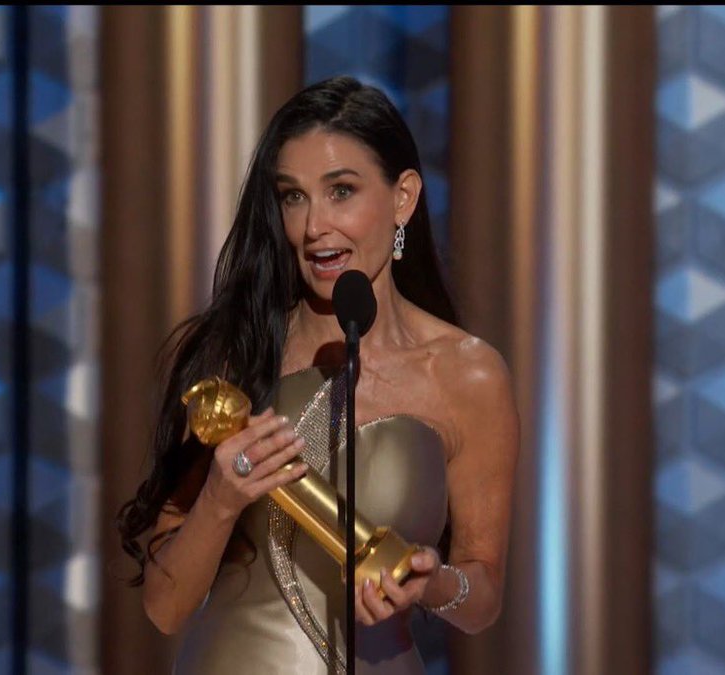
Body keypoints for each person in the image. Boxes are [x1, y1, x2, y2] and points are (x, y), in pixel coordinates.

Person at [117, 75, 519, 674]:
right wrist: (221, 502)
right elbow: (165, 607)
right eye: (293, 197)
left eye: (341, 191)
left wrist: (432, 585)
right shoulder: (238, 353)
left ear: (403, 197)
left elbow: (482, 594)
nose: (313, 228)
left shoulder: (471, 376)